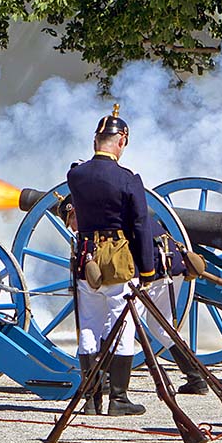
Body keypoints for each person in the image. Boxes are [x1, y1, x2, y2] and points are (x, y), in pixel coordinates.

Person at [66, 105, 153, 416]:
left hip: (85, 260)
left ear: (95, 141)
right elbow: (141, 225)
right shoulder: (128, 179)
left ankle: (90, 399)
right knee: (123, 326)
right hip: (117, 260)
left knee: (88, 326)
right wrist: (147, 269)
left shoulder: (75, 175)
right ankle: (118, 398)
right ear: (122, 141)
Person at [141, 230, 209, 395]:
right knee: (162, 327)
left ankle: (108, 383)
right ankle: (196, 378)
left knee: (127, 324)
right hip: (170, 263)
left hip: (157, 268)